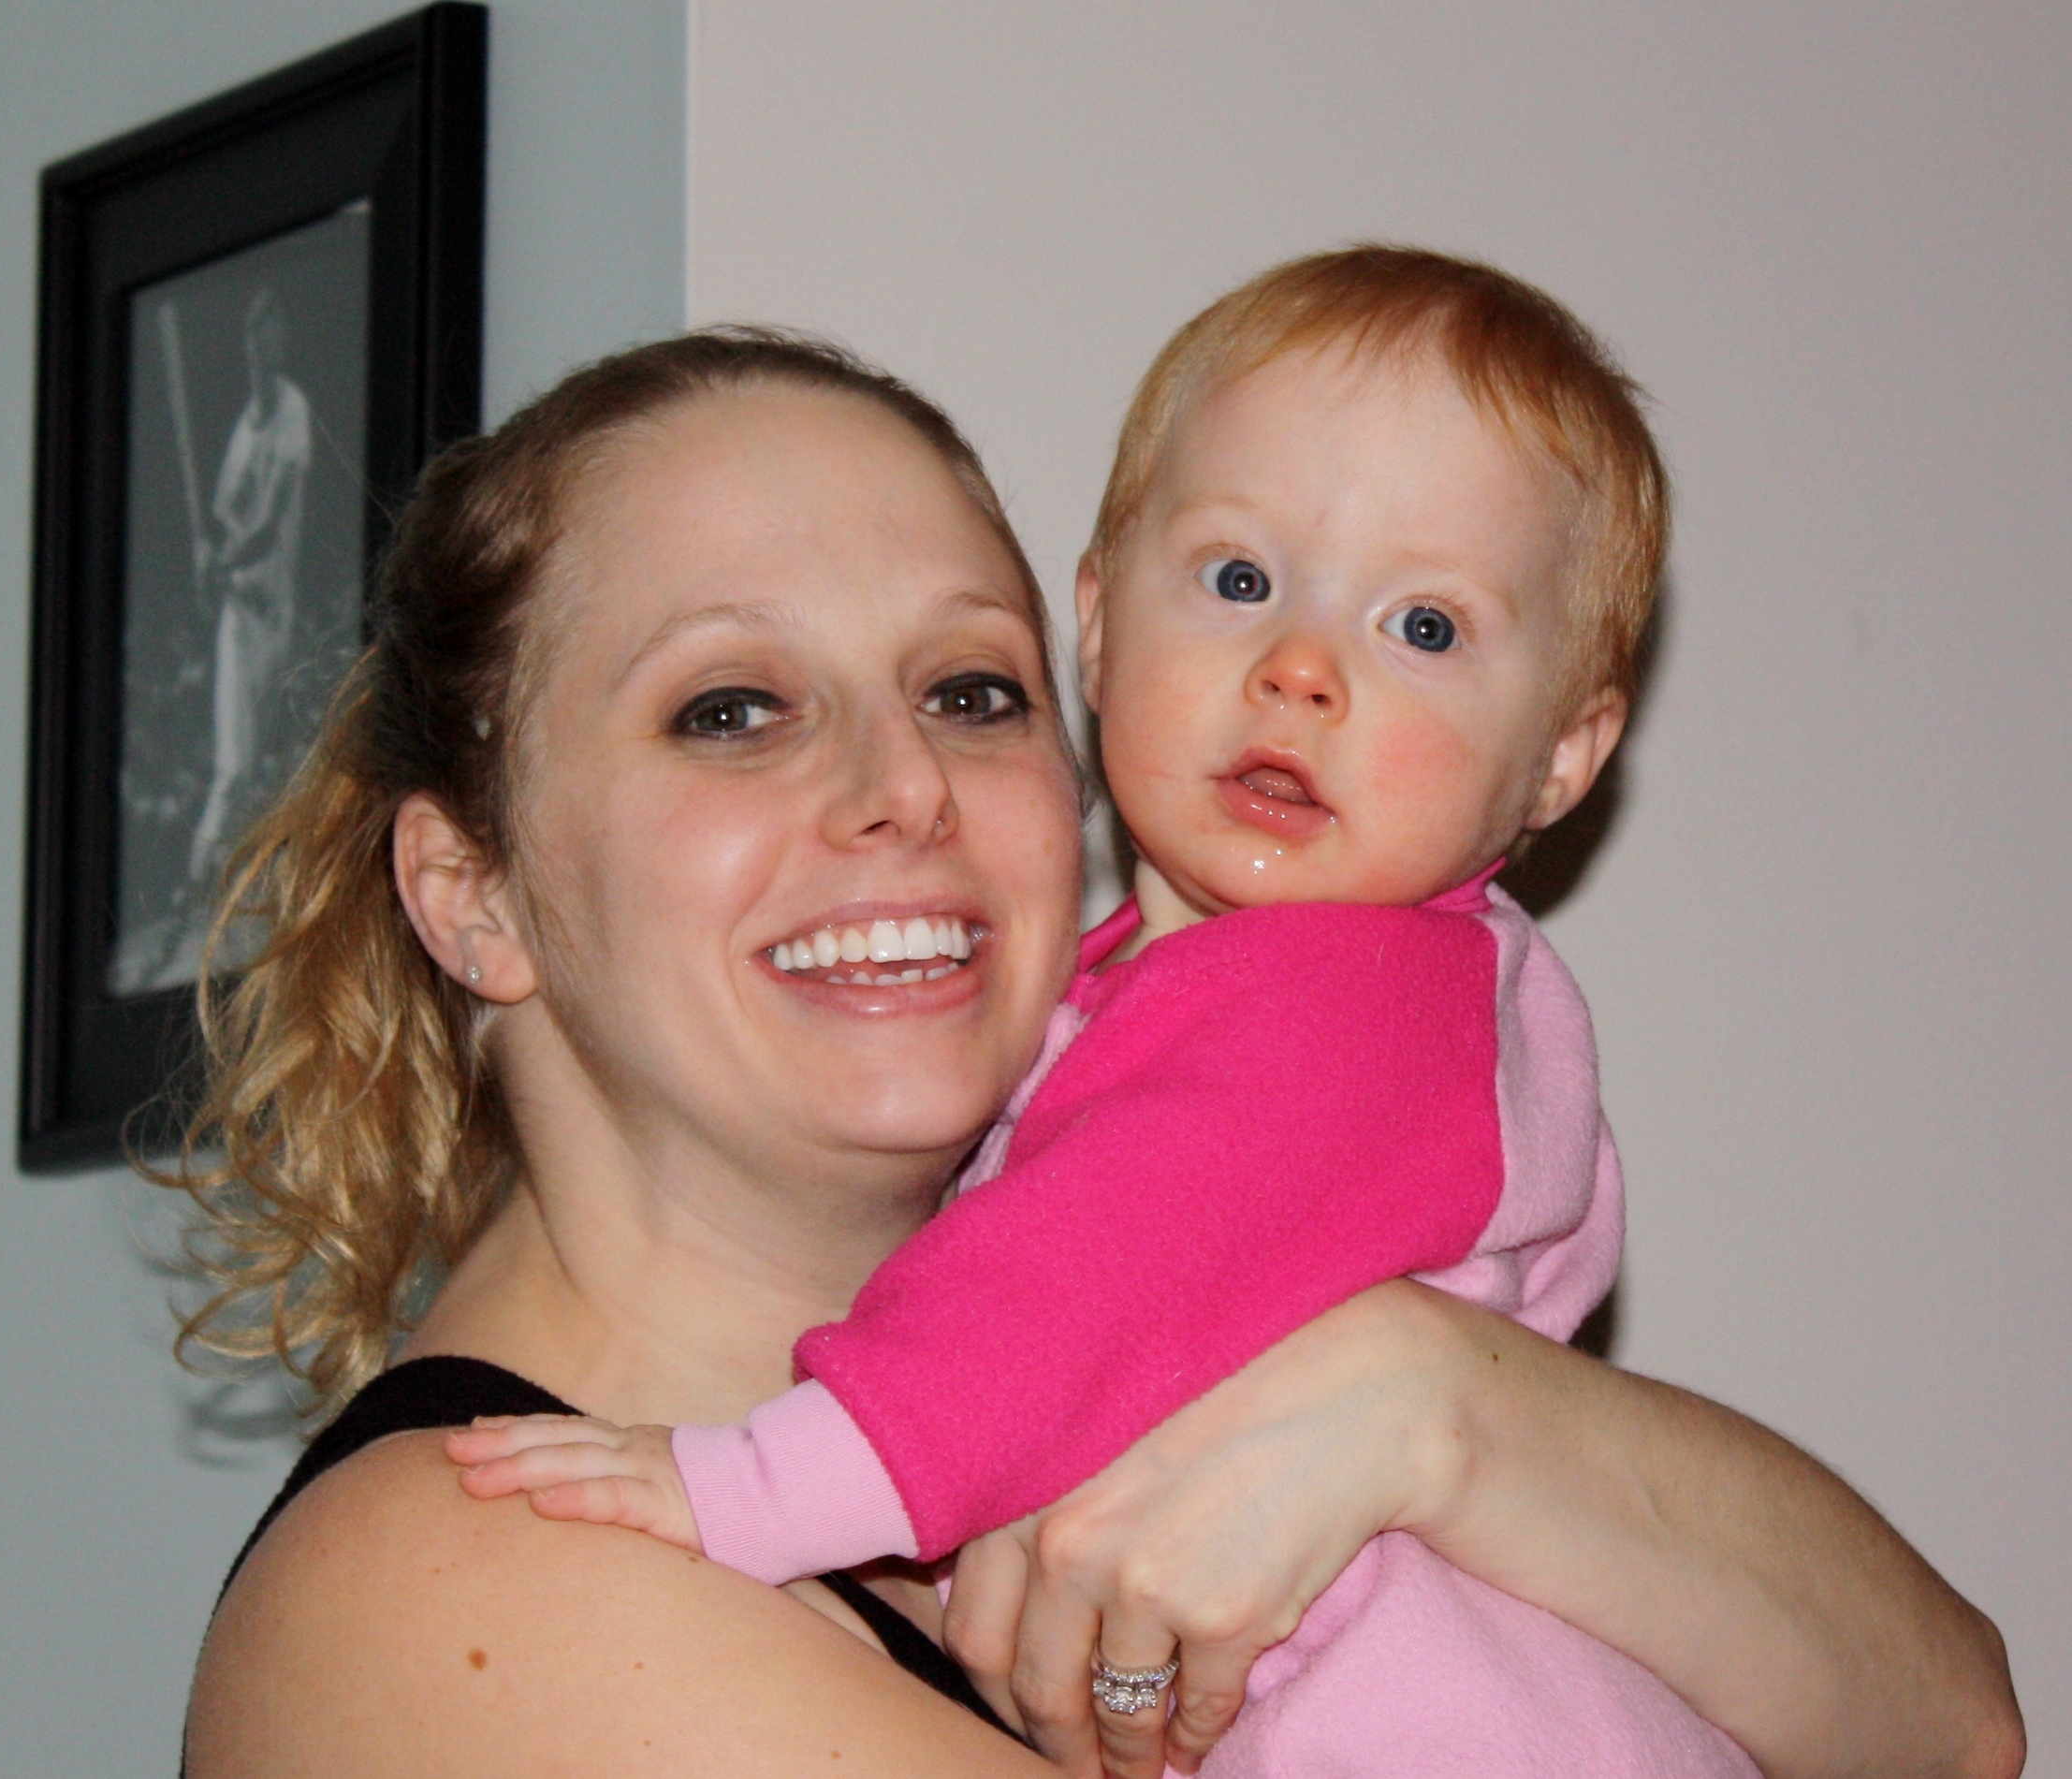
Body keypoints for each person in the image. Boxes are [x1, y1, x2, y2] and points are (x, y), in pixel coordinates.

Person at [165, 328, 2021, 1779]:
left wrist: (1431, 1410)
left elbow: (1952, 1723)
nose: (901, 786)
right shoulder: (470, 1579)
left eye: (971, 690)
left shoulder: (1152, 1405)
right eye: (731, 708)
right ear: (473, 889)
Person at [445, 246, 1751, 1778]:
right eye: (1240, 581)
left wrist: (737, 1488)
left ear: (1562, 756)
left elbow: (1050, 1304)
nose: (1300, 670)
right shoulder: (1180, 995)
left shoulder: (1362, 1015)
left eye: (1424, 627)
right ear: (1103, 627)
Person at [190, 284, 311, 888]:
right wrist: (206, 558)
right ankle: (203, 878)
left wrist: (225, 558)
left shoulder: (293, 411)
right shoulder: (244, 429)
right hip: (242, 614)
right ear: (248, 344)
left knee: (274, 757)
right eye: (260, 332)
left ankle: (248, 879)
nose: (269, 343)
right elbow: (222, 520)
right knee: (236, 762)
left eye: (277, 330)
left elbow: (266, 527)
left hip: (275, 608)